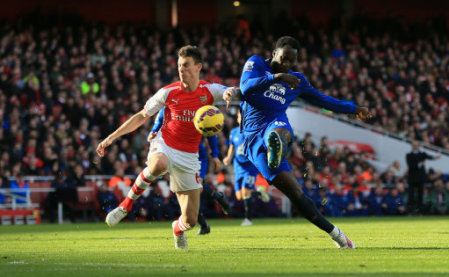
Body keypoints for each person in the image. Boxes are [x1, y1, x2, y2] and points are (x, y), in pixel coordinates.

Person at [96, 45, 235, 249]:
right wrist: (111, 137)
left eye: (186, 65)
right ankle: (125, 206)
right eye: (179, 65)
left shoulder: (209, 91)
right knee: (158, 164)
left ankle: (177, 229)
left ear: (198, 67)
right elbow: (142, 116)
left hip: (189, 157)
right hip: (165, 144)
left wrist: (230, 93)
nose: (181, 69)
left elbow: (228, 91)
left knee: (191, 221)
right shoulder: (168, 92)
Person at [239, 36, 372, 248]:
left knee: (281, 130)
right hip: (252, 136)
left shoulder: (297, 81)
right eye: (284, 58)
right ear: (274, 53)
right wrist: (277, 77)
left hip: (275, 123)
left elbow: (323, 100)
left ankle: (277, 146)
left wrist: (354, 109)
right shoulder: (256, 63)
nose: (287, 64)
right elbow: (245, 88)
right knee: (295, 193)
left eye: (291, 61)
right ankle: (335, 233)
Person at [148, 107, 231, 235]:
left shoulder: (190, 118)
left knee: (191, 191)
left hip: (196, 157)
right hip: (179, 158)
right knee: (186, 195)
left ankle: (215, 200)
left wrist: (214, 155)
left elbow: (210, 136)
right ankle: (205, 222)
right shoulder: (169, 118)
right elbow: (161, 115)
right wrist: (154, 130)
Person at [223, 110, 269, 226]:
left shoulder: (253, 131)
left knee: (246, 192)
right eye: (240, 117)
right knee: (239, 196)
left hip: (250, 166)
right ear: (237, 118)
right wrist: (228, 157)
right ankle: (258, 193)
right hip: (238, 166)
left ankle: (248, 219)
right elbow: (232, 146)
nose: (241, 119)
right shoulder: (233, 132)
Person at [406, 140, 441, 214]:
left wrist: (435, 157)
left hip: (420, 178)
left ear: (418, 146)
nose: (415, 146)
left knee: (420, 196)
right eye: (414, 145)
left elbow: (429, 157)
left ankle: (420, 212)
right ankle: (410, 212)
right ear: (412, 146)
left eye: (416, 145)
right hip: (412, 178)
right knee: (410, 196)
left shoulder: (422, 154)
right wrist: (420, 164)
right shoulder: (409, 155)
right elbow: (411, 165)